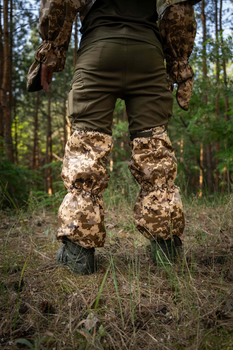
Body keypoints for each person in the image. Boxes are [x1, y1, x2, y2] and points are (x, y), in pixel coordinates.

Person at [27, 0, 200, 274]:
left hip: (98, 52)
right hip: (148, 54)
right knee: (155, 152)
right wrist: (177, 63)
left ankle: (78, 255)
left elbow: (59, 2)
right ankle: (166, 251)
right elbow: (179, 8)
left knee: (87, 151)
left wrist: (51, 51)